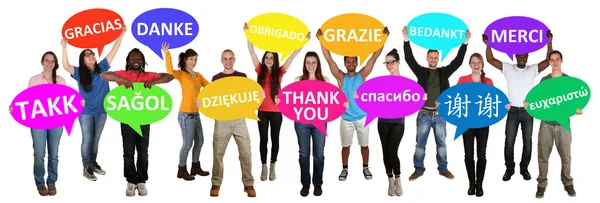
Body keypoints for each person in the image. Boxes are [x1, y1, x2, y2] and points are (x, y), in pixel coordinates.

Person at [316, 27, 389, 181]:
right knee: (345, 147)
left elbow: (374, 58)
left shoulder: (362, 75)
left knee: (364, 146)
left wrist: (384, 38)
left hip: (363, 117)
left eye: (353, 61)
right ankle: (344, 169)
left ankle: (365, 167)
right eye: (348, 61)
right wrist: (321, 40)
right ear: (345, 63)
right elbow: (328, 59)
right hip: (346, 118)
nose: (350, 63)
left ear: (356, 62)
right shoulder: (340, 77)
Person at [100, 48, 174, 196]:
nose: (136, 61)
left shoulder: (148, 75)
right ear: (128, 61)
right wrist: (122, 80)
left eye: (139, 59)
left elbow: (169, 77)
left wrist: (154, 81)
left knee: (143, 152)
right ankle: (130, 180)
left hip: (144, 119)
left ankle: (141, 180)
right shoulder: (123, 74)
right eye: (133, 58)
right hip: (127, 119)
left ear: (143, 61)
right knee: (128, 152)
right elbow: (103, 74)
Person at [402, 26, 470, 181]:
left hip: (440, 115)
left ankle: (443, 169)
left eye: (435, 57)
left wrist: (465, 42)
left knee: (442, 145)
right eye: (430, 57)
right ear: (427, 58)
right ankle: (418, 169)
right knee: (420, 146)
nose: (433, 60)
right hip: (424, 114)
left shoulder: (443, 72)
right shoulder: (421, 72)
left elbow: (458, 62)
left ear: (438, 58)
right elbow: (409, 59)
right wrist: (406, 39)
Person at [482, 30, 553, 181]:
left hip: (528, 112)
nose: (522, 58)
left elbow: (548, 61)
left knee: (527, 142)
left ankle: (524, 168)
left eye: (525, 56)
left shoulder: (532, 69)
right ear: (515, 56)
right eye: (520, 56)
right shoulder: (508, 68)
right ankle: (509, 168)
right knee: (509, 141)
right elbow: (490, 59)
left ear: (527, 57)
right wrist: (488, 44)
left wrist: (549, 42)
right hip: (513, 111)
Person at [243, 23, 309, 181]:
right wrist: (247, 34)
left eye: (271, 58)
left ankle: (273, 166)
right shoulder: (259, 70)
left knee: (275, 139)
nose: (268, 59)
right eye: (267, 57)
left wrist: (304, 42)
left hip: (277, 112)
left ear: (275, 59)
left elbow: (293, 56)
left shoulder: (280, 72)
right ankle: (264, 166)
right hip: (262, 111)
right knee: (263, 140)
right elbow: (251, 52)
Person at [60, 26, 126, 181]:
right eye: (87, 55)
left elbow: (113, 51)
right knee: (87, 139)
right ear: (83, 60)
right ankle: (86, 166)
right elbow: (65, 66)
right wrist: (64, 48)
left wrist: (121, 33)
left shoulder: (102, 68)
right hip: (86, 113)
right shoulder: (79, 73)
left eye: (92, 54)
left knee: (96, 140)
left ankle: (93, 163)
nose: (90, 56)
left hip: (102, 111)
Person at [8, 52, 69, 196]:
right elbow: (28, 102)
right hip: (38, 122)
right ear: (42, 62)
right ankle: (40, 183)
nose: (49, 63)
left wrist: (78, 103)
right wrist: (15, 109)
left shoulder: (61, 80)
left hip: (56, 122)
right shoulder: (34, 80)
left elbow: (66, 102)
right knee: (39, 154)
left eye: (52, 61)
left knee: (54, 154)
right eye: (47, 61)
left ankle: (52, 182)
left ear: (55, 63)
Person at [525, 50, 579, 199]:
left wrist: (577, 109)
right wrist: (529, 104)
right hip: (546, 125)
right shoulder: (544, 80)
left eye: (557, 59)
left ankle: (567, 182)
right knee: (543, 156)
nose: (555, 62)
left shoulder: (569, 80)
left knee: (566, 157)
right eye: (552, 60)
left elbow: (573, 101)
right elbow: (538, 101)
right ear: (549, 62)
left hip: (563, 125)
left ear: (562, 61)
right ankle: (541, 184)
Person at [209, 49, 256, 198]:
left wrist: (258, 95)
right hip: (222, 119)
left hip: (239, 119)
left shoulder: (242, 77)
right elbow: (212, 99)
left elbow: (248, 97)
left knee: (246, 152)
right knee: (217, 152)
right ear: (221, 60)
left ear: (234, 59)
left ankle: (248, 184)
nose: (228, 61)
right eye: (225, 59)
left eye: (230, 59)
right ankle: (216, 182)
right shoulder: (216, 78)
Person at [161, 43, 211, 181]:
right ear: (185, 60)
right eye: (191, 59)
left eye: (195, 59)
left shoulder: (198, 75)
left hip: (196, 114)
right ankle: (181, 170)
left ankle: (195, 167)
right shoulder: (181, 74)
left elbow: (210, 88)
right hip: (185, 114)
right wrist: (167, 53)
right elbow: (170, 70)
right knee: (187, 144)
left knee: (200, 141)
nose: (193, 62)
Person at [456, 53, 494, 197]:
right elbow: (455, 98)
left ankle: (480, 184)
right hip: (466, 124)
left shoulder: (488, 81)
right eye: (473, 62)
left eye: (478, 62)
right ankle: (471, 183)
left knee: (482, 155)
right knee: (469, 154)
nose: (476, 65)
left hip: (483, 124)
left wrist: (505, 105)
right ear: (470, 64)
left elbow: (493, 101)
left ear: (482, 64)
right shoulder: (462, 80)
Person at [294, 51, 331, 197]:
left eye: (313, 62)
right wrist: (281, 101)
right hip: (301, 122)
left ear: (318, 64)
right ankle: (305, 184)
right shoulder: (298, 80)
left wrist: (342, 103)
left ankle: (317, 183)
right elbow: (293, 101)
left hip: (320, 122)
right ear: (304, 64)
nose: (311, 65)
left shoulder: (325, 81)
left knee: (319, 155)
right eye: (308, 62)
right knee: (303, 154)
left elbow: (330, 101)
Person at [379, 48, 404, 196]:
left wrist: (421, 97)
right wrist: (360, 96)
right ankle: (390, 180)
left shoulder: (407, 83)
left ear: (398, 62)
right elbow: (374, 98)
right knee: (385, 151)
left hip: (398, 122)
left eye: (391, 62)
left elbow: (411, 101)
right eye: (387, 63)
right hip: (382, 120)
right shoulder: (383, 81)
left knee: (392, 151)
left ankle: (398, 179)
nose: (389, 65)